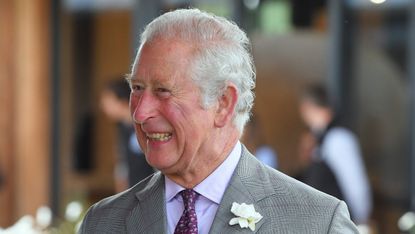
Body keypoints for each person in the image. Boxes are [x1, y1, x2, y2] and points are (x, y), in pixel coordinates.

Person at [79, 8, 358, 233]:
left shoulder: (318, 222)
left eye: (163, 91)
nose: (140, 113)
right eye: (137, 89)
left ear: (223, 103)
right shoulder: (103, 223)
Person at [298, 84, 372, 226]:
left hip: (338, 222)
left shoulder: (339, 138)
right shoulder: (318, 137)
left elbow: (354, 183)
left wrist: (361, 218)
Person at [100, 79, 154, 192]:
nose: (103, 106)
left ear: (122, 100)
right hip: (132, 194)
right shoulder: (122, 128)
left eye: (107, 100)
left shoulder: (146, 126)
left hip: (150, 192)